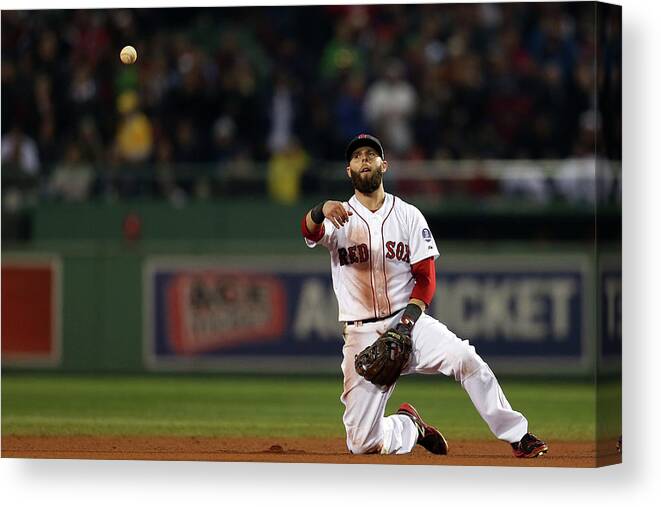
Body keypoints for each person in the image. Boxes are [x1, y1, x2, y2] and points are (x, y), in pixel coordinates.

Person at [300, 133, 548, 458]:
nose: (364, 159)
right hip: (361, 334)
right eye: (357, 156)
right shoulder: (339, 217)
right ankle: (410, 426)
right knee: (362, 444)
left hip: (410, 323)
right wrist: (320, 210)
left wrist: (406, 323)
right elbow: (309, 231)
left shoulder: (408, 215)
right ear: (348, 169)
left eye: (370, 155)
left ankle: (518, 435)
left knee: (466, 359)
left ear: (383, 165)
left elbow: (426, 279)